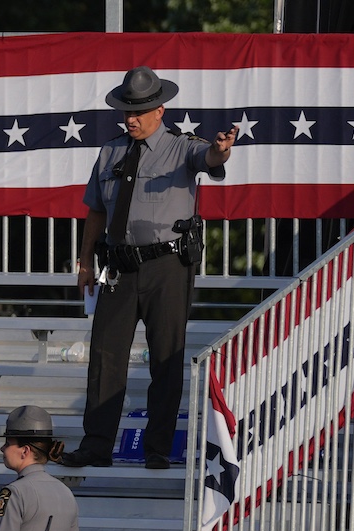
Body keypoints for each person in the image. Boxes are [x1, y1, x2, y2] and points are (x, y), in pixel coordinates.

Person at [59, 66, 238, 470]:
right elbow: (96, 210)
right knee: (105, 356)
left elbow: (210, 157)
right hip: (118, 266)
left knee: (165, 358)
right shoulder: (110, 151)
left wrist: (222, 150)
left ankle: (157, 448)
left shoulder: (182, 146)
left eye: (138, 111)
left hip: (167, 267)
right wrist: (85, 260)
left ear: (160, 110)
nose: (130, 118)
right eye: (126, 111)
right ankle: (97, 445)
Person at [0, 406, 79, 531]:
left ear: (25, 451)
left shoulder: (15, 493)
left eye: (8, 443)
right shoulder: (66, 492)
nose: (2, 449)